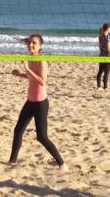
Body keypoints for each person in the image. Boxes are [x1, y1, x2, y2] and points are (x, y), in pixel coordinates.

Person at [8, 34, 67, 171]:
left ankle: (62, 163)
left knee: (41, 137)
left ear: (40, 46)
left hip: (40, 103)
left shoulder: (42, 61)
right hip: (30, 102)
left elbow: (42, 81)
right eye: (29, 42)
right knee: (18, 131)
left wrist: (27, 70)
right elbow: (31, 77)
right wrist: (19, 74)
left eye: (34, 43)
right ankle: (12, 161)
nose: (31, 45)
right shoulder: (30, 58)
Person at [96, 23, 110, 90]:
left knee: (100, 71)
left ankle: (99, 86)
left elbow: (99, 46)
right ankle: (105, 87)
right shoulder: (107, 37)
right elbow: (108, 47)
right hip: (107, 55)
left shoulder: (100, 36)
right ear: (108, 28)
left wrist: (101, 53)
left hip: (102, 55)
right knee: (106, 73)